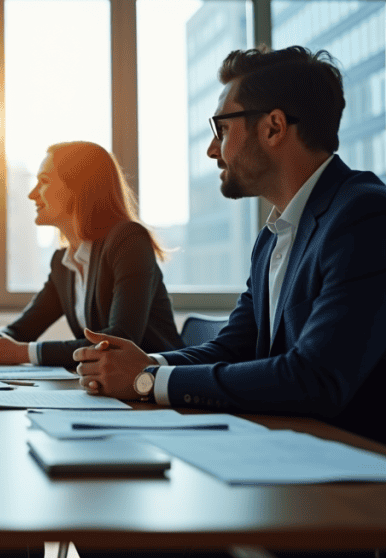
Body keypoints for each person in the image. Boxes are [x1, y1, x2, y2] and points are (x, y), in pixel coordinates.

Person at [73, 46, 386, 444]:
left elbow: (315, 377)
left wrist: (148, 380)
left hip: (358, 476)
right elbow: (233, 348)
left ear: (273, 127)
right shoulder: (274, 236)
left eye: (222, 129)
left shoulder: (363, 216)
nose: (212, 149)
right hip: (288, 452)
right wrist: (142, 363)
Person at [0, 141, 183, 367]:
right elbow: (21, 330)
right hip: (109, 391)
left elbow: (119, 339)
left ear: (79, 188)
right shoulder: (63, 263)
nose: (32, 194)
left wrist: (24, 353)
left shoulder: (128, 241)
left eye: (43, 182)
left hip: (155, 389)